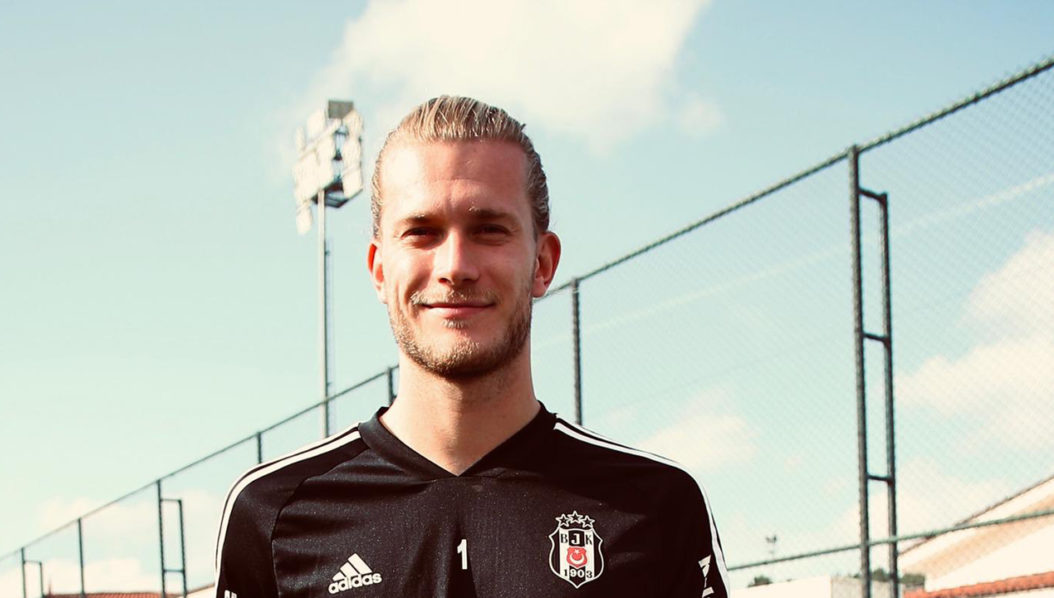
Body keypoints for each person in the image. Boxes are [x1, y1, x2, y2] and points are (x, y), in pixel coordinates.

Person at [214, 96, 730, 597]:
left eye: (488, 230)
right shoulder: (272, 513)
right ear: (379, 270)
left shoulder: (658, 506)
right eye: (421, 232)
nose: (455, 266)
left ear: (543, 263)